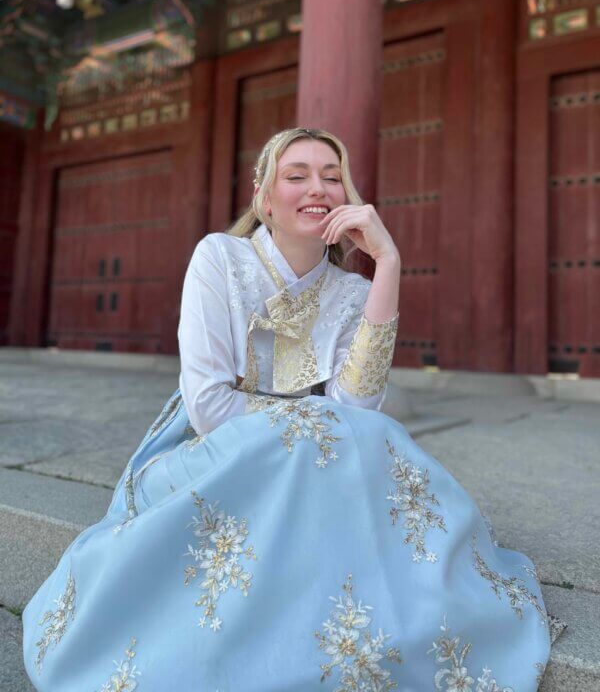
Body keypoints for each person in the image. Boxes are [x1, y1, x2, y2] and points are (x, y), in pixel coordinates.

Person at [22, 127, 559, 691]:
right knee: (326, 439)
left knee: (372, 439)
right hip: (210, 449)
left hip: (309, 453)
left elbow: (359, 406)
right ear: (264, 198)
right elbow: (207, 405)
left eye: (332, 176)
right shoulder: (220, 258)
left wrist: (390, 262)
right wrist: (306, 425)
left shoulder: (352, 291)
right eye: (296, 175)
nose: (317, 188)